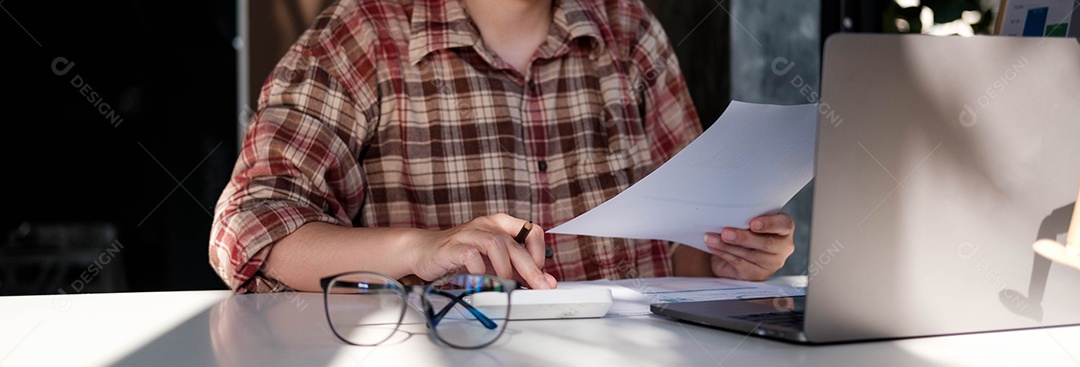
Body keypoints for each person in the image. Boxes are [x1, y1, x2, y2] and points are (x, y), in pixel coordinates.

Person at [210, 0, 795, 293]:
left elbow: (684, 252)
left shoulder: (629, 29)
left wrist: (726, 260)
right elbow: (248, 227)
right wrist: (419, 249)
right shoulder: (359, 34)